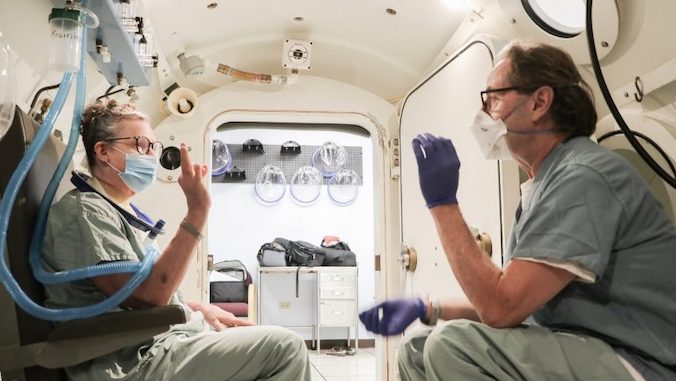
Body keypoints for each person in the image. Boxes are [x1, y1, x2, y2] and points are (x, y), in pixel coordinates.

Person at [359, 41, 676, 381]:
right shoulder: (543, 187)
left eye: (493, 99)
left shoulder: (583, 176)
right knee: (417, 350)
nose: (483, 115)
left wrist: (443, 204)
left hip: (639, 361)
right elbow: (523, 305)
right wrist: (427, 307)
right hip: (581, 348)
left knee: (451, 345)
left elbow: (501, 307)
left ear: (539, 102)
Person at [41, 100, 311, 381]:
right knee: (285, 348)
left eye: (152, 148)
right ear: (103, 151)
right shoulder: (86, 211)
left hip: (155, 341)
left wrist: (199, 308)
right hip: (129, 359)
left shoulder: (116, 211)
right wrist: (197, 212)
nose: (149, 156)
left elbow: (143, 296)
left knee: (265, 343)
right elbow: (147, 297)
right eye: (140, 145)